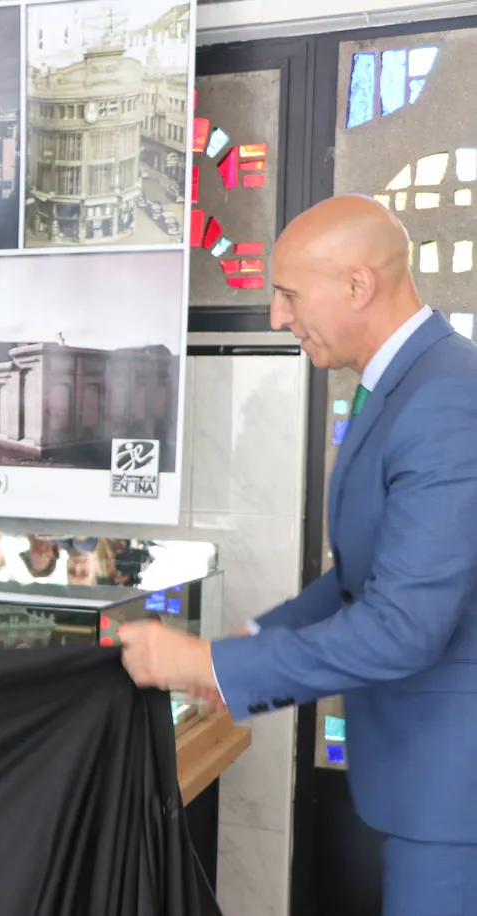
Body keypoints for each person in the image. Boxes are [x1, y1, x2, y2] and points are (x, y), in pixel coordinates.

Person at [118, 194, 477, 915]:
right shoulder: (405, 386)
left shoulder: (444, 400)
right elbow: (361, 578)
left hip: (452, 793)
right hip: (422, 782)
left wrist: (211, 665)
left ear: (357, 285)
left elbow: (403, 627)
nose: (278, 318)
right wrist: (245, 645)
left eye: (287, 294)